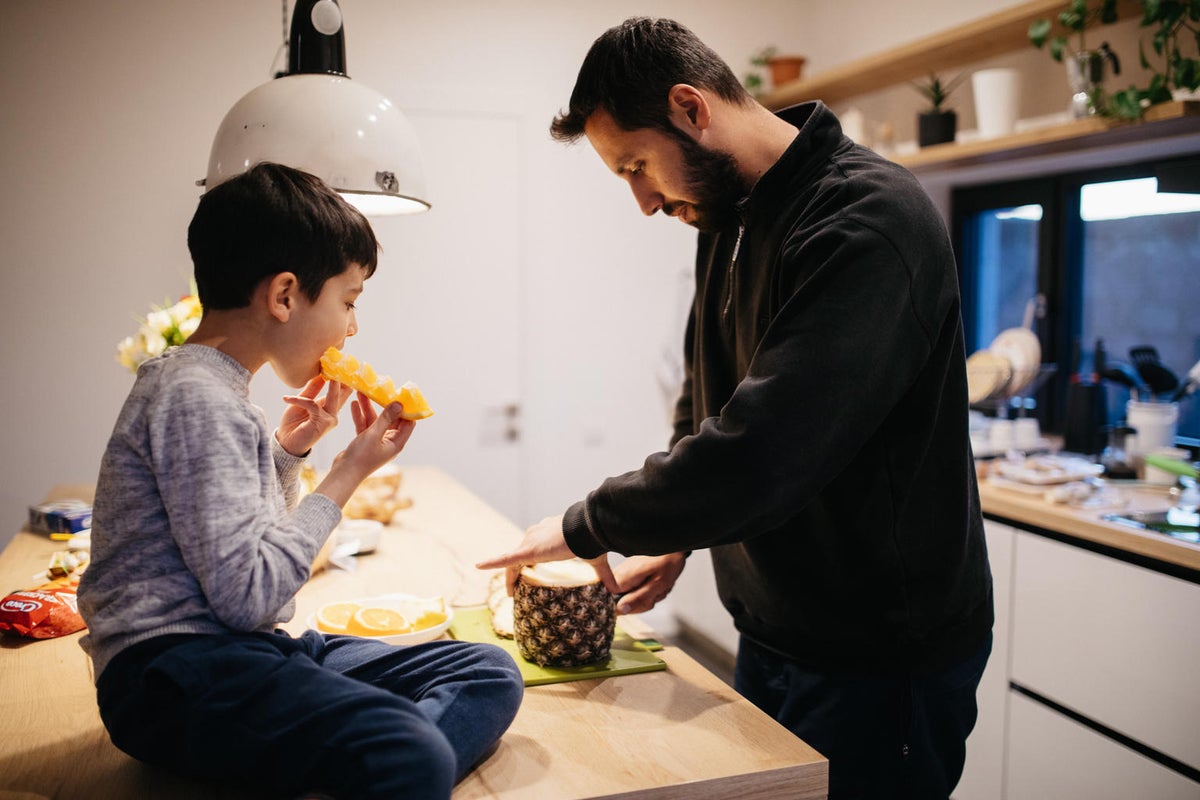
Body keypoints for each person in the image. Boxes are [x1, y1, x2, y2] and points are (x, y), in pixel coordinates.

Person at [478, 17, 992, 800]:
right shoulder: (729, 216)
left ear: (691, 108)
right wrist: (680, 535)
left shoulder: (866, 219)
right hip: (776, 628)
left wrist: (588, 522)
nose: (643, 202)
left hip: (882, 655)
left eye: (637, 167)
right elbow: (708, 391)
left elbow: (767, 450)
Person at [79, 162, 523, 800]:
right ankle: (383, 764)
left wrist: (290, 453)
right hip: (173, 675)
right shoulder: (197, 396)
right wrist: (344, 474)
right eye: (348, 302)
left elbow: (238, 547)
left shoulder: (214, 390)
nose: (352, 328)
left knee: (486, 670)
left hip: (242, 652)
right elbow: (249, 595)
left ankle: (351, 769)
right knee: (409, 748)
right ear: (285, 295)